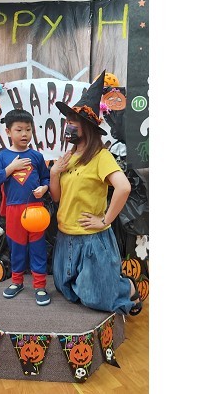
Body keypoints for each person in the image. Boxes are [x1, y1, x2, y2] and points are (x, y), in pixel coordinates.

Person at [49, 71, 142, 316]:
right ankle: (103, 282)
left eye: (73, 121)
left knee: (94, 298)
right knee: (65, 290)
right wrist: (54, 173)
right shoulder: (69, 156)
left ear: (87, 126)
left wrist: (105, 220)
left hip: (91, 239)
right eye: (67, 120)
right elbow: (57, 198)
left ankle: (127, 287)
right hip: (66, 237)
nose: (67, 125)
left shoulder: (101, 156)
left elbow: (124, 187)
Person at [0, 109, 51, 306]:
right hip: (13, 210)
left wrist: (45, 188)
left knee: (38, 247)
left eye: (28, 129)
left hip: (36, 209)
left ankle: (40, 285)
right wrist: (11, 168)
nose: (24, 134)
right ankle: (17, 282)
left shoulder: (36, 156)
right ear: (8, 132)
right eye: (19, 130)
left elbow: (46, 177)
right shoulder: (2, 157)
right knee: (16, 247)